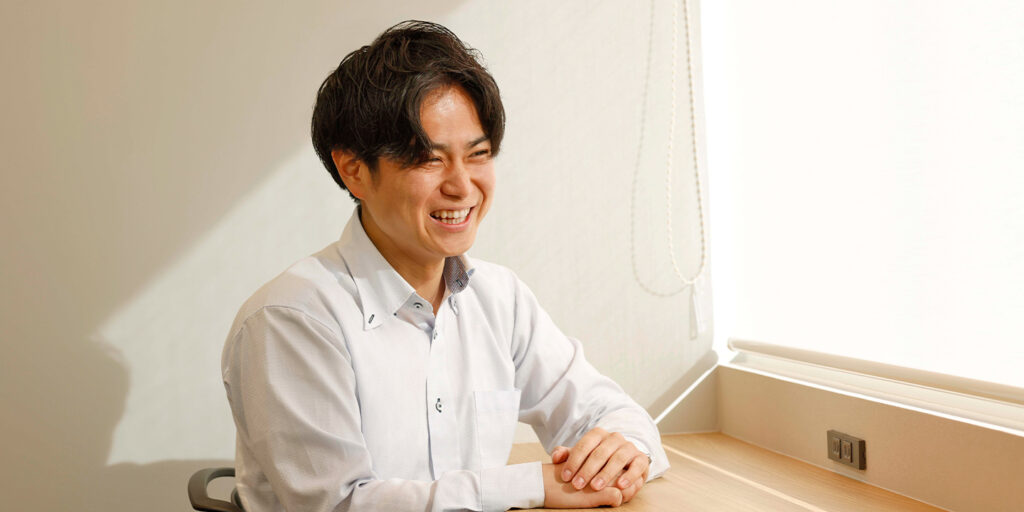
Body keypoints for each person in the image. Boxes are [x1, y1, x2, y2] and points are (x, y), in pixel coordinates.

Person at [221, 20, 668, 512]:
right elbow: (338, 504)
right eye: (429, 160)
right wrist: (529, 484)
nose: (461, 186)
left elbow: (610, 412)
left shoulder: (499, 298)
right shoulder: (293, 318)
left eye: (478, 155)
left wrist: (623, 450)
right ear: (354, 170)